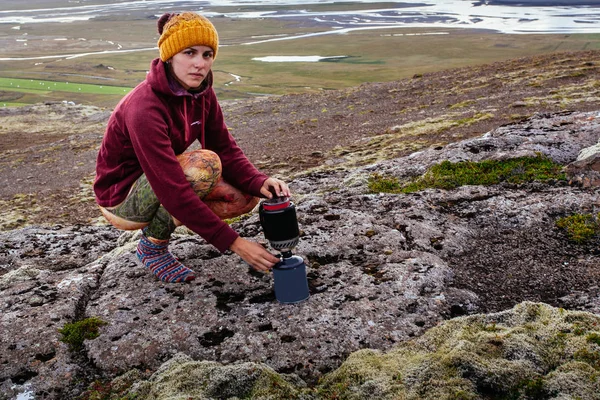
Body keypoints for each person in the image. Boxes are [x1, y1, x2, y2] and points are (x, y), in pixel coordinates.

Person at [93, 11, 289, 283]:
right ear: (170, 55)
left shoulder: (201, 92)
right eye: (189, 53)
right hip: (122, 198)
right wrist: (235, 243)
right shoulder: (144, 107)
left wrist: (259, 181)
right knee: (202, 167)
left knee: (246, 196)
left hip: (162, 178)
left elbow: (224, 147)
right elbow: (172, 187)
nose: (199, 64)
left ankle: (164, 225)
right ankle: (152, 247)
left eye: (207, 54)